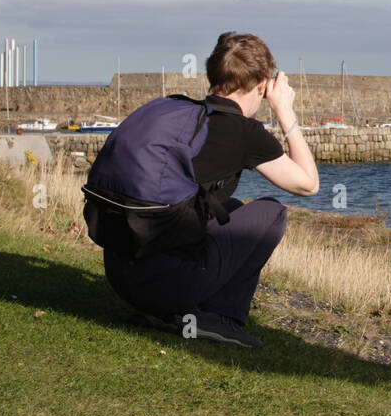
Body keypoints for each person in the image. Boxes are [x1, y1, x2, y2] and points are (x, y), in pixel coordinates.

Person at [93, 32, 319, 348]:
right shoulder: (243, 132)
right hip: (166, 286)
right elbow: (308, 184)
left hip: (120, 274)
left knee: (234, 209)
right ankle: (220, 318)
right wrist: (285, 113)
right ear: (262, 86)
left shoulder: (174, 110)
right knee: (271, 213)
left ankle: (167, 311)